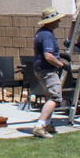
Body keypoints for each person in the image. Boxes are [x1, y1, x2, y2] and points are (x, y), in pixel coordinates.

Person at [32, 7, 68, 138]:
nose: (58, 22)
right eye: (56, 19)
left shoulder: (41, 33)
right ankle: (40, 126)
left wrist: (61, 55)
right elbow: (48, 56)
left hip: (41, 69)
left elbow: (46, 52)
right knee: (55, 98)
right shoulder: (47, 35)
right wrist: (62, 65)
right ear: (50, 21)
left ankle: (47, 124)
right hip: (47, 70)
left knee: (50, 97)